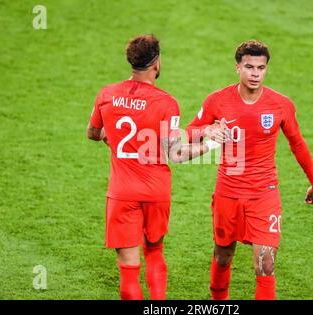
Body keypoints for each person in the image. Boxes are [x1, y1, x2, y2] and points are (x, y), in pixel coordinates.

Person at [87, 34, 221, 300]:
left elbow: (93, 132)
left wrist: (111, 138)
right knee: (155, 252)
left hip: (122, 192)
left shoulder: (107, 94)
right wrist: (211, 145)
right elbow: (177, 154)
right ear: (156, 63)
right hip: (156, 192)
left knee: (128, 269)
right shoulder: (166, 102)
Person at [186, 40, 313, 300]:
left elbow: (297, 143)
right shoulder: (217, 100)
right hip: (228, 192)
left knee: (266, 264)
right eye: (249, 67)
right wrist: (207, 130)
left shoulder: (281, 104)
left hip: (264, 195)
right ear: (237, 68)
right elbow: (190, 131)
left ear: (266, 69)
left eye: (261, 67)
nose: (255, 73)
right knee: (223, 255)